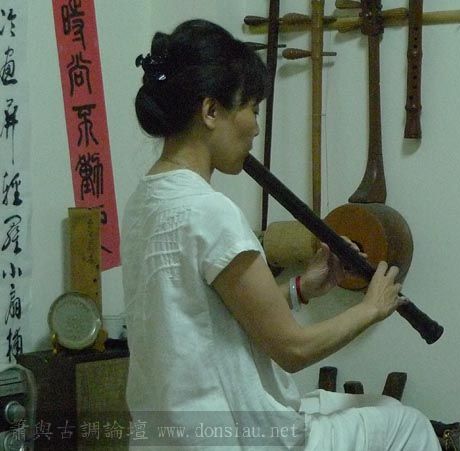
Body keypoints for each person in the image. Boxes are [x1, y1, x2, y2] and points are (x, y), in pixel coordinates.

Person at [122, 19, 439, 450]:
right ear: (211, 111)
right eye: (252, 108)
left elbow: (213, 320)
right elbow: (292, 350)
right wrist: (372, 308)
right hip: (237, 440)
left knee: (370, 405)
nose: (255, 127)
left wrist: (300, 289)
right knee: (406, 424)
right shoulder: (209, 211)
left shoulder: (145, 201)